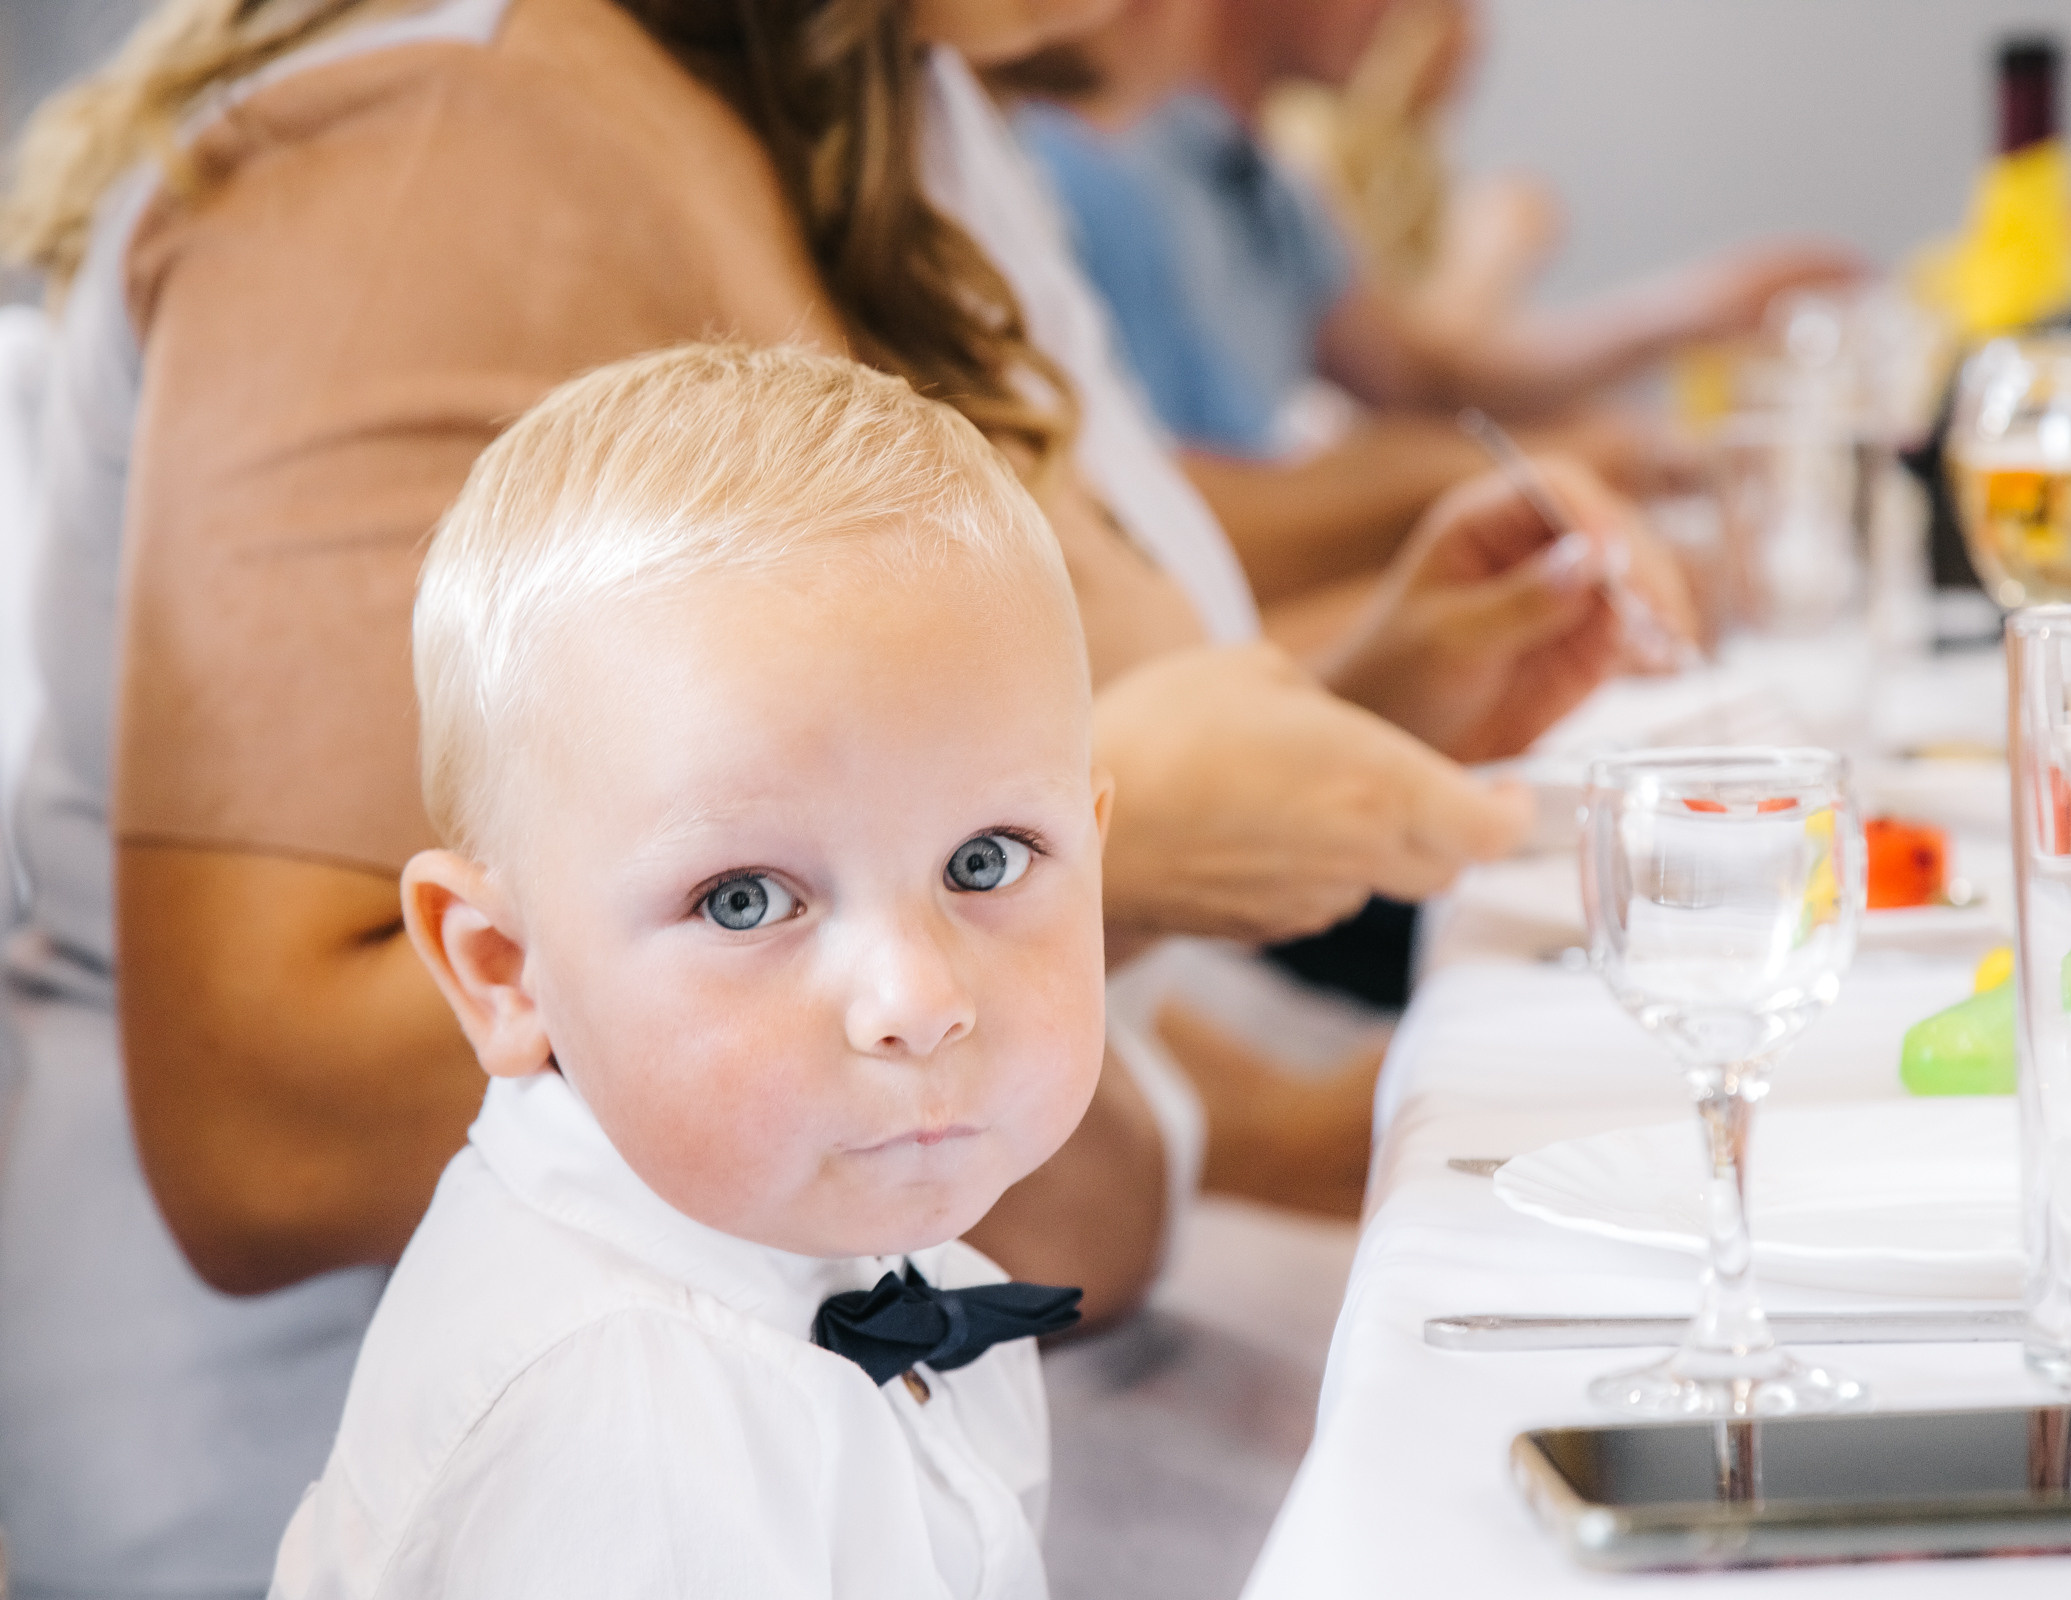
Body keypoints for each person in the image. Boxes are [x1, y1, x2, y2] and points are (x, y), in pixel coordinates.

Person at [0, 0, 1687, 1592]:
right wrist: (1113, 850)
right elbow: (261, 1129)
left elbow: (844, 741)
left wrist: (1358, 702)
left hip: (893, 1314)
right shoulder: (447, 140)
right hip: (455, 1452)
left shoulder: (889, 108)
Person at [275, 343, 1100, 1597]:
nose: (921, 1003)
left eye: (985, 861)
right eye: (746, 899)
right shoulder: (628, 1420)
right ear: (504, 967)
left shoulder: (807, 1228)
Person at [1012, 0, 1862, 594]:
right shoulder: (1095, 173)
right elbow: (1160, 511)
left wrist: (1694, 311)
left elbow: (1425, 378)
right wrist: (1542, 474)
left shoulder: (1274, 177)